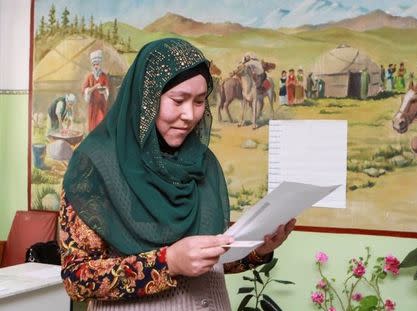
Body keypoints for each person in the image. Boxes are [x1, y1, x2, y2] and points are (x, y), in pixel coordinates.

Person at [59, 38, 296, 310]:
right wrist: (168, 262)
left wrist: (258, 249)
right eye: (178, 100)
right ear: (146, 97)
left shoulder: (202, 162)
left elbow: (210, 256)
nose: (190, 115)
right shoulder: (95, 165)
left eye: (199, 101)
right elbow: (77, 278)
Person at [82, 49, 110, 132]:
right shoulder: (89, 77)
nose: (96, 66)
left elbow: (107, 89)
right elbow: (85, 90)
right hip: (93, 105)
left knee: (101, 121)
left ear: (100, 64)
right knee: (93, 124)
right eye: (94, 65)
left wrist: (104, 90)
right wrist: (94, 87)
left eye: (97, 64)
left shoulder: (104, 76)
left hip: (101, 104)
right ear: (92, 65)